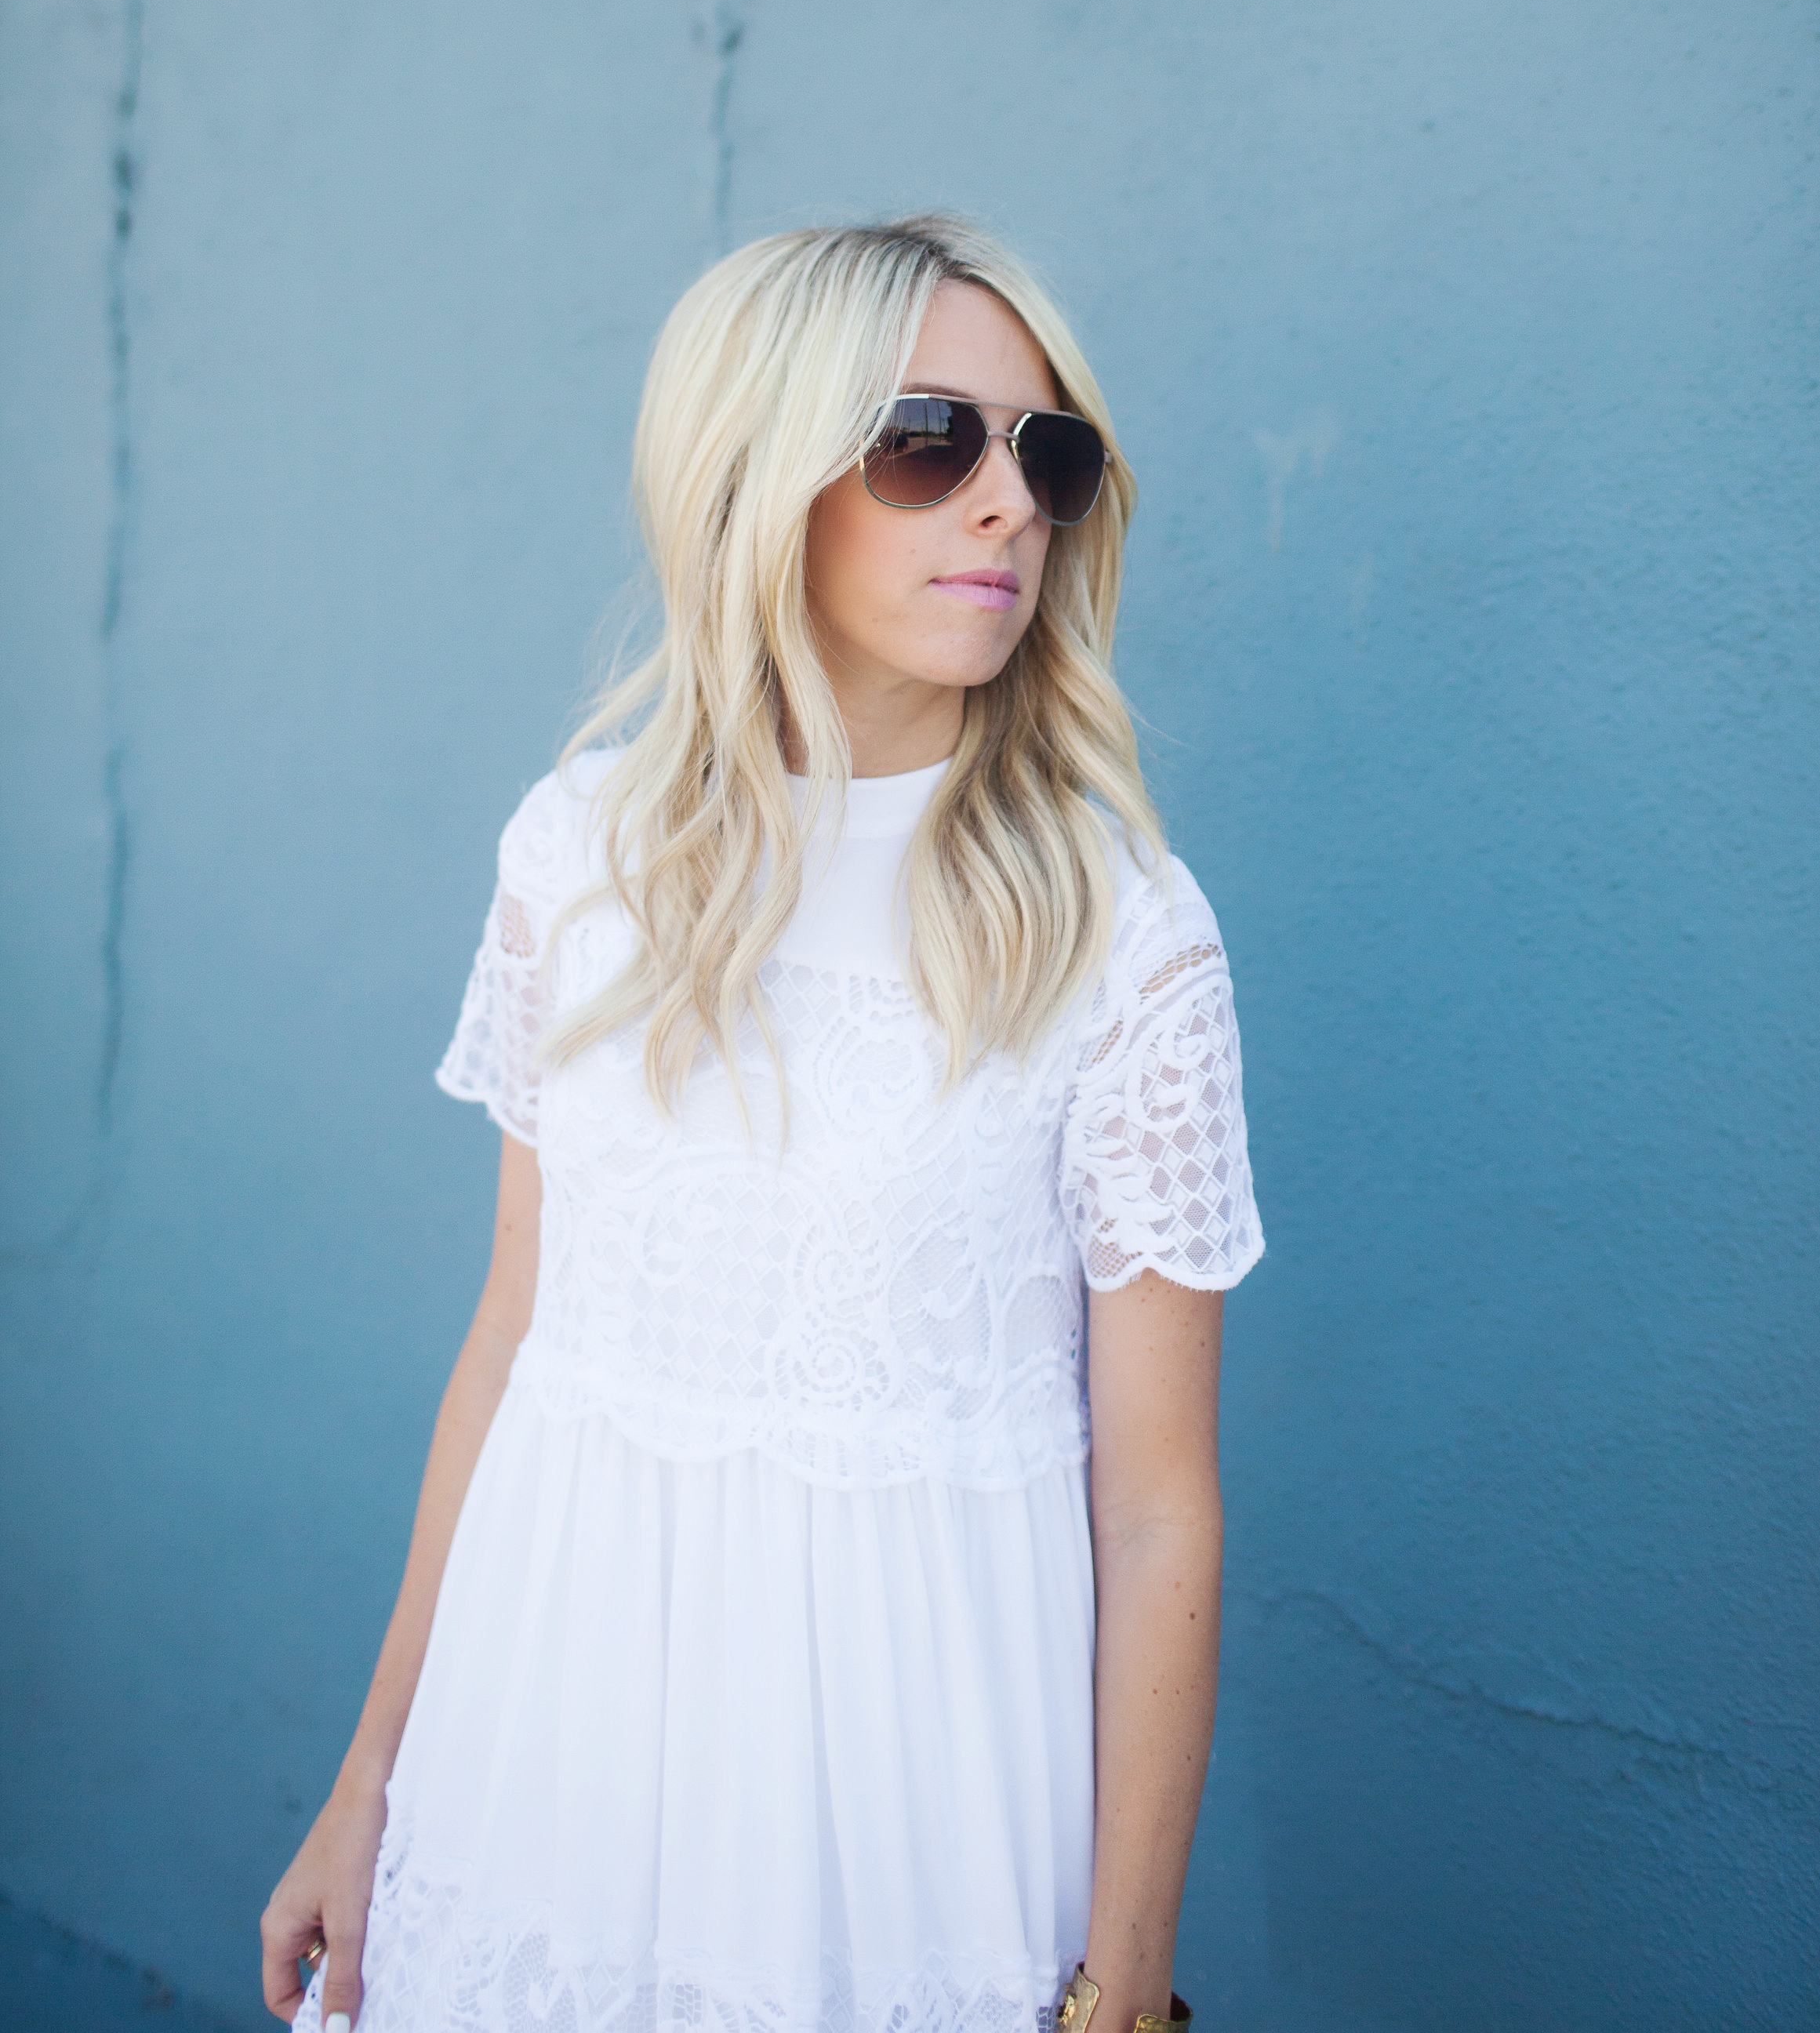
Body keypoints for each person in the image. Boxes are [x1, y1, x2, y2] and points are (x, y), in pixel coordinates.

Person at [261, 215, 1262, 2033]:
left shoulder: (1123, 935)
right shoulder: (579, 857)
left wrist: (1125, 1992)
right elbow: (514, 1339)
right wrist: (366, 1791)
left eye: (1047, 457)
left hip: (905, 1841)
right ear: (756, 480)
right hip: (541, 1773)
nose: (1008, 504)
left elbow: (1155, 1515)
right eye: (925, 442)